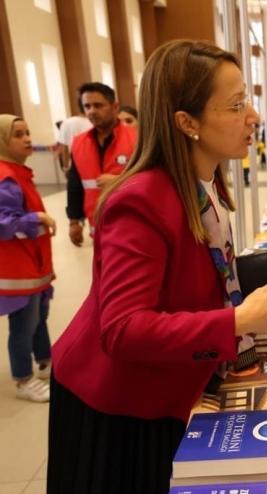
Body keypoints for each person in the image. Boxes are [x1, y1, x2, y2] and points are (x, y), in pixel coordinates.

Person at [47, 40, 267, 493]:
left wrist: (264, 292)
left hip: (174, 385)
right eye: (237, 105)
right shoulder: (140, 201)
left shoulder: (207, 181)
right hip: (119, 404)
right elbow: (122, 328)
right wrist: (238, 319)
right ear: (187, 122)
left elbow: (197, 270)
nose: (254, 117)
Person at [0, 114, 56, 403]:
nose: (26, 139)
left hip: (34, 264)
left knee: (39, 317)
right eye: (17, 134)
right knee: (23, 324)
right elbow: (4, 222)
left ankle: (46, 362)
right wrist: (38, 218)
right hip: (17, 269)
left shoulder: (18, 171)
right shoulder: (5, 177)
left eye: (27, 132)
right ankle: (23, 378)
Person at [66, 82, 137, 245]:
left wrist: (119, 182)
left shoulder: (137, 140)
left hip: (131, 226)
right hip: (97, 229)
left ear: (114, 107)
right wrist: (74, 221)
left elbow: (153, 181)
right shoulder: (79, 143)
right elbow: (74, 185)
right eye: (87, 106)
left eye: (98, 105)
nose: (91, 111)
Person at [55, 100, 92, 177]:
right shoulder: (96, 122)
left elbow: (65, 148)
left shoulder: (67, 123)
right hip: (93, 164)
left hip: (75, 166)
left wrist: (65, 167)